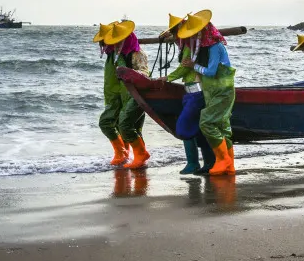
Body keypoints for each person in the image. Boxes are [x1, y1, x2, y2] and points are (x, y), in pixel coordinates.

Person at [177, 10, 236, 175]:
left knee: (207, 123)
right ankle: (229, 164)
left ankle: (223, 160)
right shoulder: (204, 48)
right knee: (222, 127)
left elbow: (211, 71)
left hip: (222, 91)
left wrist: (193, 66)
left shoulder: (215, 47)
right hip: (211, 92)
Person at [158, 13, 217, 174]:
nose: (175, 35)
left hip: (196, 92)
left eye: (175, 31)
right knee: (200, 130)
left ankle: (193, 163)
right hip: (194, 91)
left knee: (183, 127)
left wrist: (168, 77)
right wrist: (166, 35)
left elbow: (185, 67)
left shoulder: (189, 45)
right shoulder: (187, 42)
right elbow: (170, 38)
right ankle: (209, 163)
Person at [98, 20, 151, 168]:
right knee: (109, 123)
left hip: (136, 95)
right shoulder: (113, 54)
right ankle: (122, 153)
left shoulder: (136, 53)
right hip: (117, 95)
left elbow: (144, 73)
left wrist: (131, 73)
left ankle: (140, 155)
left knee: (129, 124)